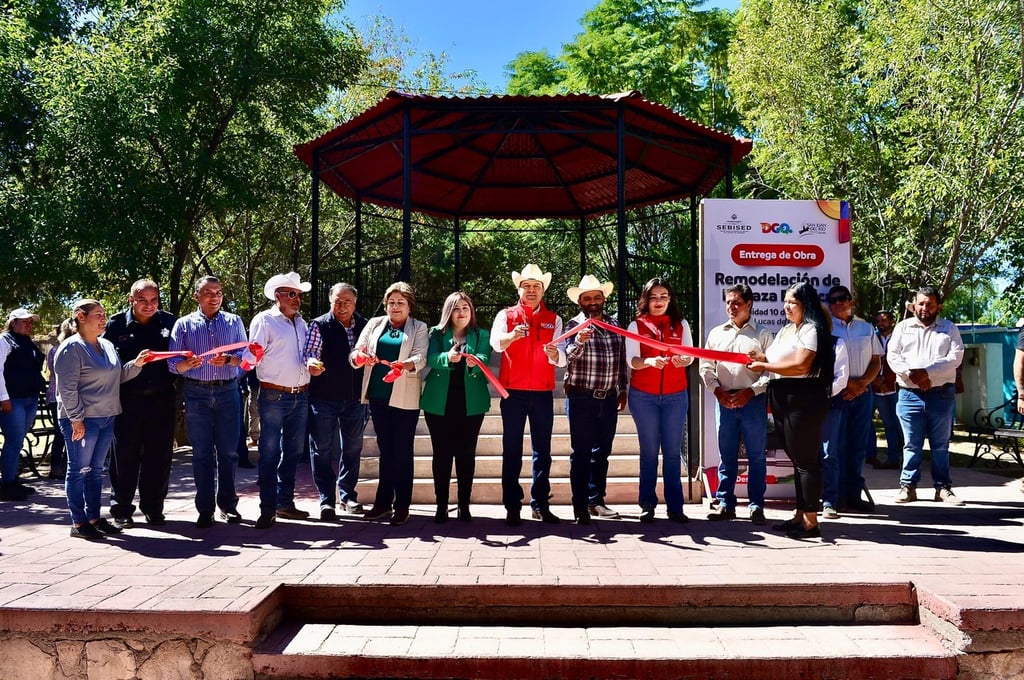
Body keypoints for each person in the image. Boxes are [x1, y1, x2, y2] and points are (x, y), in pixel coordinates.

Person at [54, 299, 149, 540]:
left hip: (107, 416)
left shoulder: (106, 345)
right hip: (82, 419)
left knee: (95, 471)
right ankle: (78, 522)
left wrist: (136, 364)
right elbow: (67, 389)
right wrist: (76, 419)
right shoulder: (71, 348)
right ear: (81, 317)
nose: (103, 318)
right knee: (78, 470)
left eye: (103, 313)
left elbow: (116, 376)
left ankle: (94, 518)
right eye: (97, 314)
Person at [747, 282, 835, 539]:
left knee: (806, 460)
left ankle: (811, 522)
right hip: (782, 396)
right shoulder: (786, 330)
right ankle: (800, 514)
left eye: (792, 302)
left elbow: (800, 365)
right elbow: (780, 362)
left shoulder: (812, 329)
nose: (786, 306)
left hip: (804, 398)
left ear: (805, 304)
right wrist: (763, 359)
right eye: (785, 301)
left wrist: (766, 366)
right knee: (797, 459)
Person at [168, 275, 248, 528]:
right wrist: (184, 364)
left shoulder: (234, 321)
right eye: (208, 293)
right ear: (196, 297)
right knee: (201, 453)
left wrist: (230, 360)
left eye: (218, 293)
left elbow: (245, 357)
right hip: (196, 393)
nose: (214, 297)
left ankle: (228, 505)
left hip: (228, 391)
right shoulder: (183, 324)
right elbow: (172, 362)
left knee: (228, 452)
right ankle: (205, 509)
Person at [490, 264, 566, 527]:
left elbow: (561, 356)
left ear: (542, 291)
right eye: (527, 286)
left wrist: (557, 356)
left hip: (543, 392)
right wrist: (511, 336)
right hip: (513, 392)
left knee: (542, 451)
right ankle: (512, 505)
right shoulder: (506, 315)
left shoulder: (554, 319)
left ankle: (540, 504)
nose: (531, 290)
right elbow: (495, 343)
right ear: (519, 289)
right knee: (511, 450)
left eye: (536, 286)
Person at [350, 282, 428, 526]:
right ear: (385, 304)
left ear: (409, 306)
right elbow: (356, 351)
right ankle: (383, 503)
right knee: (386, 451)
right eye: (391, 302)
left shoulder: (419, 327)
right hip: (378, 395)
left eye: (401, 302)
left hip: (404, 396)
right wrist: (359, 357)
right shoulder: (374, 325)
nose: (395, 306)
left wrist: (405, 365)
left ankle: (402, 505)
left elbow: (421, 356)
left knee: (402, 452)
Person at [102, 279, 178, 527]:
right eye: (143, 300)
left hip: (162, 400)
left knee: (159, 458)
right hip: (127, 401)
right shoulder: (115, 325)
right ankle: (122, 510)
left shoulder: (169, 322)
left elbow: (179, 359)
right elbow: (107, 364)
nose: (149, 305)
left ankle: (153, 508)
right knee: (124, 457)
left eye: (154, 300)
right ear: (131, 299)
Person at [699, 284, 773, 525]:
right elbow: (706, 367)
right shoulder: (716, 334)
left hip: (753, 401)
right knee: (727, 456)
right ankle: (725, 504)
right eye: (728, 302)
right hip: (725, 401)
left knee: (756, 457)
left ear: (749, 304)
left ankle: (756, 507)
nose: (731, 307)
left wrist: (751, 392)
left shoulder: (762, 334)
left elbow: (771, 371)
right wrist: (717, 390)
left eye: (737, 303)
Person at [558, 275, 627, 525]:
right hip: (580, 397)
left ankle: (596, 500)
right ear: (580, 301)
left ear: (603, 299)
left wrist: (623, 389)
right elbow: (567, 357)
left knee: (603, 453)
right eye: (588, 298)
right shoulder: (571, 326)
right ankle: (580, 507)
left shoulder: (615, 324)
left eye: (597, 297)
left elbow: (620, 360)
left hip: (608, 397)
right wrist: (579, 341)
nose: (593, 302)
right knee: (581, 453)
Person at [887, 286, 965, 505]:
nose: (925, 308)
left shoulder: (949, 329)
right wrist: (914, 375)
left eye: (930, 304)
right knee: (911, 443)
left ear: (938, 306)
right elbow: (893, 356)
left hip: (941, 394)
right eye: (921, 303)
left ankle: (943, 488)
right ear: (914, 305)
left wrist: (928, 373)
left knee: (940, 444)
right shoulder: (903, 328)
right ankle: (908, 487)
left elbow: (955, 357)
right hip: (909, 394)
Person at [626, 278, 694, 524]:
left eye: (664, 296)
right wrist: (649, 362)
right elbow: (631, 360)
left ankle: (675, 507)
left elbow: (689, 355)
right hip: (644, 396)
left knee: (673, 453)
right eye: (654, 297)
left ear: (670, 299)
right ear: (646, 299)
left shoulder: (681, 324)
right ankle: (647, 504)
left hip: (676, 395)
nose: (659, 301)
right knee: (649, 452)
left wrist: (683, 361)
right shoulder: (636, 325)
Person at [249, 272, 314, 529]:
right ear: (278, 296)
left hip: (301, 394)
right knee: (269, 452)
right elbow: (253, 354)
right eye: (292, 294)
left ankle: (284, 503)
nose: (297, 299)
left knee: (293, 452)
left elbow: (306, 354)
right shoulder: (264, 321)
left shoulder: (302, 323)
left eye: (298, 295)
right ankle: (268, 508)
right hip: (274, 395)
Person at [420, 291, 491, 523]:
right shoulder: (435, 334)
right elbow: (429, 358)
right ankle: (441, 505)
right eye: (456, 308)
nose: (461, 313)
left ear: (472, 312)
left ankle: (464, 505)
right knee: (441, 454)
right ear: (448, 312)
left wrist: (475, 360)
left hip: (471, 404)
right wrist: (445, 357)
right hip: (439, 403)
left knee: (466, 455)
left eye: (465, 308)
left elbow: (485, 357)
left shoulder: (481, 334)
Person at [304, 282, 369, 520]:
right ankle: (326, 500)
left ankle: (347, 495)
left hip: (356, 398)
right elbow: (311, 352)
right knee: (321, 449)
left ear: (355, 303)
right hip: (324, 397)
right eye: (337, 302)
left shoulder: (365, 325)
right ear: (330, 302)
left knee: (352, 448)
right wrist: (312, 363)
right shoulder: (319, 324)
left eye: (347, 302)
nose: (342, 306)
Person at [820, 285, 881, 517]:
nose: (839, 303)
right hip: (837, 393)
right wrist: (847, 385)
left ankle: (854, 495)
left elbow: (876, 361)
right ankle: (834, 498)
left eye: (843, 298)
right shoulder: (825, 328)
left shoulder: (866, 328)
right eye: (833, 300)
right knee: (834, 448)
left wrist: (862, 383)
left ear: (851, 301)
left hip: (863, 393)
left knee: (858, 447)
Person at [0, 308, 47, 501]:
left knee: (18, 439)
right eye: (24, 322)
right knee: (14, 440)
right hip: (12, 399)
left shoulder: (28, 343)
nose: (28, 325)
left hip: (30, 397)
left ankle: (13, 480)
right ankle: (7, 484)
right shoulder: (4, 340)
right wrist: (3, 397)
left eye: (30, 322)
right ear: (12, 322)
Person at [869, 310, 904, 469]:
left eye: (884, 320)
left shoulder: (900, 337)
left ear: (891, 321)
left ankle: (901, 457)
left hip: (895, 387)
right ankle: (883, 457)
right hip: (877, 388)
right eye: (878, 320)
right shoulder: (873, 337)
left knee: (898, 424)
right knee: (883, 424)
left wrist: (887, 380)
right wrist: (875, 380)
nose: (880, 323)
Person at [45, 318, 76, 481]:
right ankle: (57, 467)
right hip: (58, 396)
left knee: (68, 433)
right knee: (61, 433)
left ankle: (65, 466)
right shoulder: (58, 350)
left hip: (64, 396)